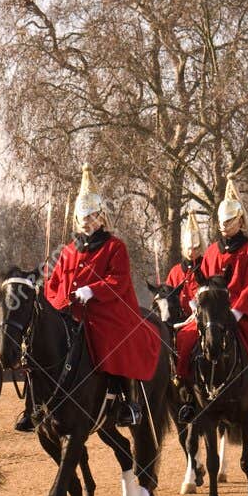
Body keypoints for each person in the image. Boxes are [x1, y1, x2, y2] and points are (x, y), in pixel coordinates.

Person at [42, 164, 163, 427]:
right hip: (71, 311)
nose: (87, 221)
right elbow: (54, 283)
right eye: (83, 217)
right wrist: (53, 300)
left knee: (114, 340)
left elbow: (118, 280)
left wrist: (92, 291)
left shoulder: (114, 246)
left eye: (92, 216)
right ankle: (40, 403)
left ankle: (127, 400)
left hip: (106, 311)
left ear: (101, 216)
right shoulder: (68, 251)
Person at [173, 175, 248, 425]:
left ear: (240, 220)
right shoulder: (211, 252)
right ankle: (187, 394)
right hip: (213, 312)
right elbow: (202, 281)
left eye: (229, 221)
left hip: (246, 310)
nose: (225, 226)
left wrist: (238, 311)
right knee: (185, 336)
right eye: (222, 222)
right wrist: (199, 303)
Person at [164, 210, 205, 324]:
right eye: (189, 248)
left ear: (200, 247)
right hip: (178, 319)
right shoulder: (175, 271)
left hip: (201, 318)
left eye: (195, 248)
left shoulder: (206, 268)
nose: (191, 252)